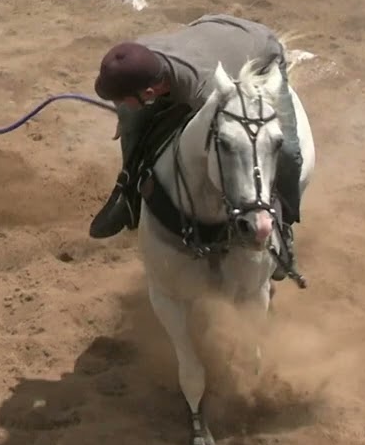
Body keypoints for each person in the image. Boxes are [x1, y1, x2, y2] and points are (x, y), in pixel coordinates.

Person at [88, 14, 304, 281]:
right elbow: (132, 103)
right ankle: (126, 192)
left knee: (289, 153)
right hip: (210, 31)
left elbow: (235, 143)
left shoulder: (204, 90)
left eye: (122, 99)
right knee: (132, 118)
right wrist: (126, 115)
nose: (119, 103)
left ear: (149, 93)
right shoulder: (139, 55)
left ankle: (284, 228)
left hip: (263, 51)